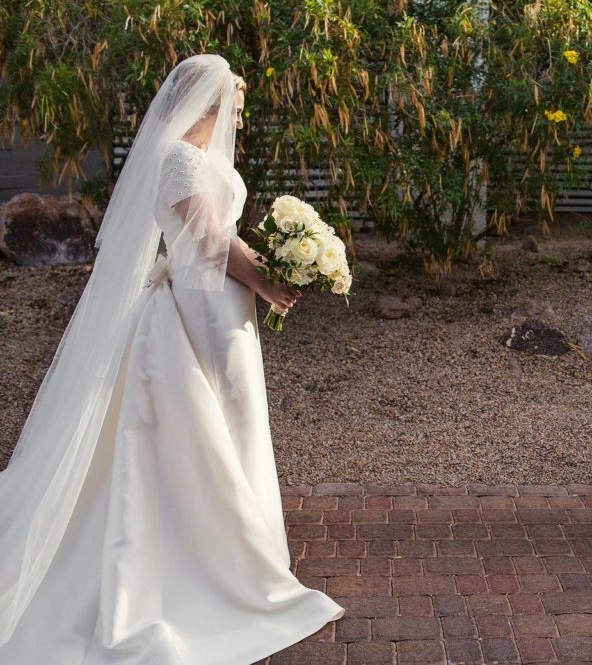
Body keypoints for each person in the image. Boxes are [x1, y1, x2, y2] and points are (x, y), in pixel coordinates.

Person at [0, 55, 344, 662]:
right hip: (202, 306)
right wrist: (267, 282)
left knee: (233, 413)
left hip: (220, 301)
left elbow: (221, 233)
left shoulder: (198, 159)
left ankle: (244, 541)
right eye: (232, 105)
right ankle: (223, 554)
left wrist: (273, 267)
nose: (236, 114)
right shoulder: (181, 158)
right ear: (207, 106)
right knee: (220, 412)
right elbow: (207, 240)